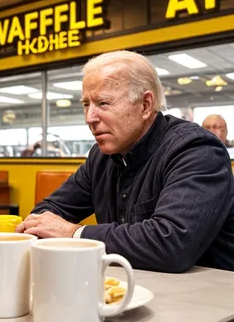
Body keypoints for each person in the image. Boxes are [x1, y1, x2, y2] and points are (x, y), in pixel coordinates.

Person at [17, 50, 234, 273]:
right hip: (134, 285)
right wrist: (41, 226)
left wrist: (74, 233)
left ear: (146, 105)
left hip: (208, 299)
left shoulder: (196, 150)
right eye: (86, 104)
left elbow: (171, 244)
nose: (89, 118)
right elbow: (48, 211)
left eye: (103, 103)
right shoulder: (101, 157)